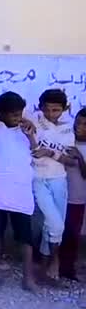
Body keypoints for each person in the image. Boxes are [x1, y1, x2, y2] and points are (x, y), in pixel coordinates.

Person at [0, 92, 37, 291]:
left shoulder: (27, 130)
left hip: (21, 190)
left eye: (20, 113)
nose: (18, 117)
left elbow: (35, 150)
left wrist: (31, 135)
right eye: (13, 114)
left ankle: (28, 277)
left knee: (25, 236)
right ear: (1, 114)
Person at [29, 88, 76, 283]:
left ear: (64, 109)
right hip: (39, 179)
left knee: (56, 225)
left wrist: (50, 153)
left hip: (59, 179)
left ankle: (45, 266)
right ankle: (54, 261)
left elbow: (70, 160)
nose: (50, 114)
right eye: (47, 109)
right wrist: (38, 146)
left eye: (55, 110)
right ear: (40, 107)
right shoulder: (35, 123)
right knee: (54, 223)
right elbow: (33, 151)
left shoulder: (67, 130)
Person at [59, 108, 86, 281]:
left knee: (71, 234)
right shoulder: (66, 138)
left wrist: (79, 158)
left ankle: (67, 269)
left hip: (77, 198)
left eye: (85, 124)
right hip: (59, 194)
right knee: (55, 230)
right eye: (78, 122)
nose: (79, 127)